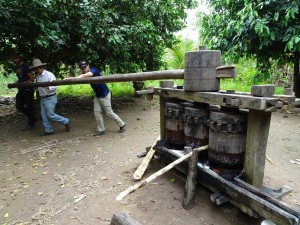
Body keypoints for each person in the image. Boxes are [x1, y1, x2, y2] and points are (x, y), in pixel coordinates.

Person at [71, 60, 126, 136]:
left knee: (109, 113)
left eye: (85, 67)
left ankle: (122, 124)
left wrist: (77, 77)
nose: (84, 69)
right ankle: (101, 130)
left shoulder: (94, 70)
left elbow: (84, 76)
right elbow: (81, 77)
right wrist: (68, 79)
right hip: (98, 95)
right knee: (97, 112)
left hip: (104, 95)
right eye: (82, 68)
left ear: (88, 66)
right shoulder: (84, 73)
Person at [30, 59, 70, 136]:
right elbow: (37, 88)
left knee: (50, 114)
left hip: (50, 97)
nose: (38, 69)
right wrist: (34, 86)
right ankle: (48, 130)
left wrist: (44, 86)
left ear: (42, 67)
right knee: (44, 115)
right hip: (43, 98)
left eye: (40, 67)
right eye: (36, 68)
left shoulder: (49, 75)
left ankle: (66, 121)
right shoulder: (38, 77)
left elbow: (54, 87)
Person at [11, 55, 37, 131]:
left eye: (15, 58)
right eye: (13, 59)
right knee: (19, 106)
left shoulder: (26, 66)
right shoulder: (16, 68)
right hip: (21, 90)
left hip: (28, 90)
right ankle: (32, 117)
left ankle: (30, 124)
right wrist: (16, 83)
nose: (14, 60)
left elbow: (32, 79)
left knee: (29, 106)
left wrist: (24, 83)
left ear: (19, 58)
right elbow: (20, 78)